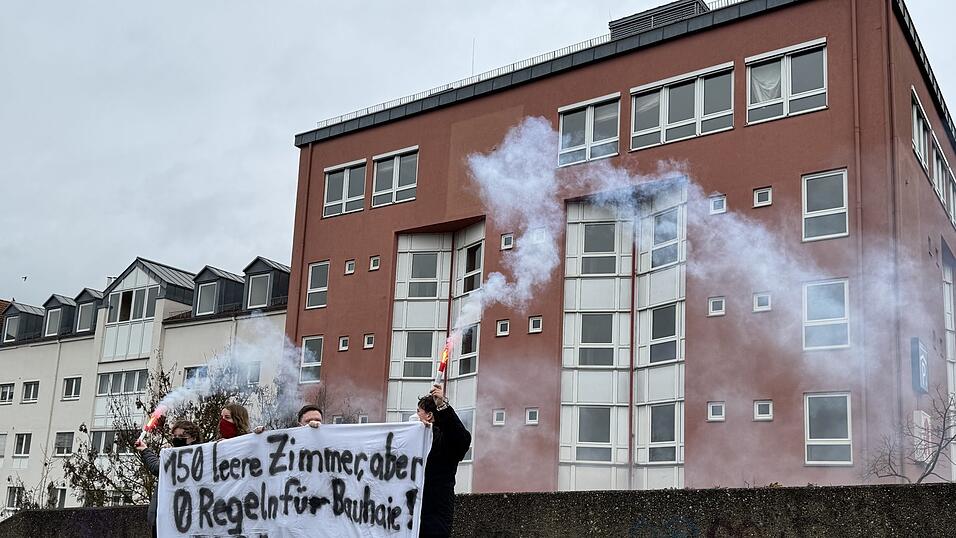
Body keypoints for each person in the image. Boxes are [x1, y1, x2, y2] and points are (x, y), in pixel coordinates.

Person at [416, 385, 471, 538]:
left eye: (418, 412)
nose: (416, 416)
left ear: (429, 415)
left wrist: (442, 406)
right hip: (413, 510)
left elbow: (460, 438)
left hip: (435, 511)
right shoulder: (416, 438)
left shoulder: (444, 439)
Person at [135, 420, 201, 538]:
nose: (177, 439)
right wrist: (145, 450)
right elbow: (158, 468)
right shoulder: (172, 456)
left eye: (182, 436)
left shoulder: (199, 457)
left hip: (186, 519)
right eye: (175, 436)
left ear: (194, 437)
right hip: (164, 519)